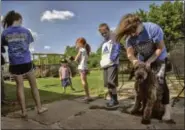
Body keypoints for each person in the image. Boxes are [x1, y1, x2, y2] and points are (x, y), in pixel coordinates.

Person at [115, 14, 171, 121]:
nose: (133, 34)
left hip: (159, 57)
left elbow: (160, 48)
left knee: (160, 81)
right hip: (143, 60)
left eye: (134, 30)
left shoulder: (153, 29)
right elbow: (130, 54)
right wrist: (135, 61)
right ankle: (137, 105)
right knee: (139, 83)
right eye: (130, 33)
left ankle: (167, 110)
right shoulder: (129, 38)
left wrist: (150, 61)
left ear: (139, 23)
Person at [1, 10, 48, 117]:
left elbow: (3, 45)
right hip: (26, 62)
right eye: (21, 20)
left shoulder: (5, 33)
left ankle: (24, 112)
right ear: (18, 19)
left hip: (14, 63)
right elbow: (27, 43)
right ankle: (39, 108)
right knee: (34, 86)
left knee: (19, 86)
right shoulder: (26, 31)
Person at [98, 23, 120, 107]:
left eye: (105, 32)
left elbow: (117, 48)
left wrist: (112, 59)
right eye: (102, 34)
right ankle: (112, 99)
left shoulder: (113, 37)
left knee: (111, 82)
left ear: (108, 30)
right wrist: (102, 62)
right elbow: (104, 54)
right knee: (107, 83)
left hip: (112, 64)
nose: (104, 35)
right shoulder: (104, 42)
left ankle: (115, 99)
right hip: (105, 64)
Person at [75, 37, 92, 102]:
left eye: (78, 43)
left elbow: (76, 59)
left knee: (83, 82)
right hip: (85, 67)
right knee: (85, 82)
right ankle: (88, 96)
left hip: (82, 67)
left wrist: (77, 50)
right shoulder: (86, 50)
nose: (77, 44)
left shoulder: (81, 49)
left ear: (81, 44)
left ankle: (87, 96)